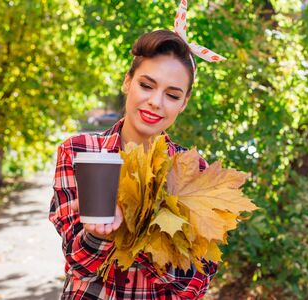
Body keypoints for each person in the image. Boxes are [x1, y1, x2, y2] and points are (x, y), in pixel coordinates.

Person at [49, 2, 226, 299]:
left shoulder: (194, 171)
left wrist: (137, 228)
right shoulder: (80, 153)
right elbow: (79, 265)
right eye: (147, 85)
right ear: (128, 82)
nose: (157, 102)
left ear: (183, 104)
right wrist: (96, 235)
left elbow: (196, 285)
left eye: (172, 94)